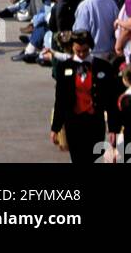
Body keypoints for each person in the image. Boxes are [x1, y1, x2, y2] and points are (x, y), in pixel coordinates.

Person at [50, 28, 120, 164]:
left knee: (94, 158)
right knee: (78, 159)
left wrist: (113, 128)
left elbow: (111, 100)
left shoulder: (103, 67)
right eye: (78, 51)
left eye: (85, 50)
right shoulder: (64, 67)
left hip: (95, 121)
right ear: (72, 48)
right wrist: (55, 127)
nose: (81, 54)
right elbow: (60, 100)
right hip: (73, 122)